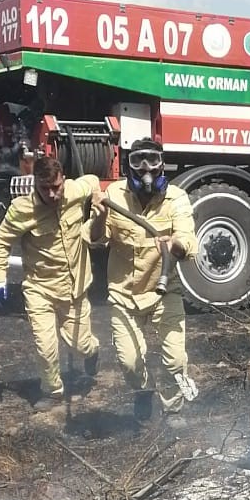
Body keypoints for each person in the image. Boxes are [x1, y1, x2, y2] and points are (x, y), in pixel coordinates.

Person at [87, 137, 198, 422]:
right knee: (129, 361)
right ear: (128, 165)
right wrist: (99, 216)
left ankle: (173, 409)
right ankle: (143, 390)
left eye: (152, 160)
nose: (145, 168)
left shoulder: (176, 198)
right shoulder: (114, 194)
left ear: (162, 164)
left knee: (175, 359)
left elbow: (188, 242)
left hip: (164, 290)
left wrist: (174, 244)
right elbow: (96, 239)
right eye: (138, 161)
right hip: (123, 293)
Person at [0, 150, 101, 411]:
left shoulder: (75, 191)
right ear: (35, 184)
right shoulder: (22, 209)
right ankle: (52, 391)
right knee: (46, 347)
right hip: (40, 289)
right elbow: (1, 241)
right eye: (44, 188)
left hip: (74, 288)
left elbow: (94, 180)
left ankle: (93, 351)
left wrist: (97, 198)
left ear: (64, 179)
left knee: (80, 345)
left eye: (56, 187)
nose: (51, 194)